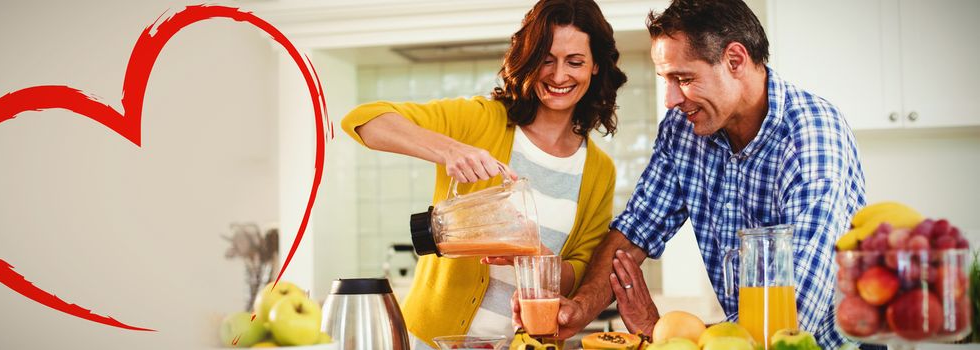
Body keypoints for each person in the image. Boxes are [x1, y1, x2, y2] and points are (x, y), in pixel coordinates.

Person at [512, 0, 867, 348]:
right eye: (665, 79)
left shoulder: (812, 135)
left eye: (683, 78)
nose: (669, 99)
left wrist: (664, 333)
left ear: (735, 60)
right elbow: (635, 231)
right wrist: (581, 309)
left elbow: (794, 315)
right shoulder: (684, 130)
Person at [341, 0, 626, 347]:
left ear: (595, 66)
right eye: (546, 60)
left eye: (575, 62)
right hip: (431, 342)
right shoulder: (482, 121)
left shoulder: (599, 170)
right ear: (530, 59)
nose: (559, 75)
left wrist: (534, 255)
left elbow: (578, 274)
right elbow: (365, 120)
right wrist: (450, 149)